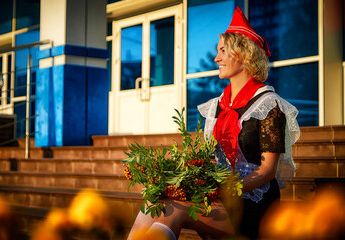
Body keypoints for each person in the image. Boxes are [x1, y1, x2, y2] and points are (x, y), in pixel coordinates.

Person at [127, 7, 300, 240]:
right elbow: (212, 160)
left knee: (172, 210)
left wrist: (222, 190)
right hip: (218, 195)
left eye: (222, 51)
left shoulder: (268, 105)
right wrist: (185, 178)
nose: (216, 58)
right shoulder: (218, 105)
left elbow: (268, 171)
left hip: (250, 203)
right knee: (153, 201)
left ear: (244, 54)